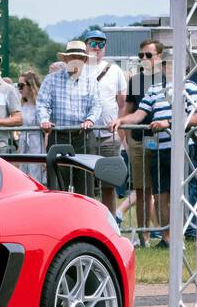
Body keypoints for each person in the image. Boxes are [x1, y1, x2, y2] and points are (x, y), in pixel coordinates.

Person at [112, 78, 197, 247]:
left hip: (182, 148)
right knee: (160, 197)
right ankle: (167, 238)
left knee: (178, 195)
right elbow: (139, 114)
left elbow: (196, 117)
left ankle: (178, 238)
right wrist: (122, 121)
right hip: (159, 149)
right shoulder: (153, 88)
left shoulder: (190, 86)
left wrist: (168, 123)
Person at [37, 41, 105, 194]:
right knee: (58, 187)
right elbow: (42, 104)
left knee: (86, 187)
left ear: (85, 60)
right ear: (66, 59)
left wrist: (90, 119)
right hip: (58, 137)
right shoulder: (51, 79)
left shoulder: (91, 82)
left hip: (84, 137)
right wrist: (44, 120)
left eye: (80, 57)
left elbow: (96, 105)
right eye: (72, 57)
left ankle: (86, 217)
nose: (76, 60)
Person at [118, 39, 167, 236]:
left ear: (159, 56)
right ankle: (143, 235)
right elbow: (129, 110)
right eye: (141, 55)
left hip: (164, 140)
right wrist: (128, 141)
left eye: (148, 55)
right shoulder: (135, 81)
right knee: (141, 191)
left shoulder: (167, 80)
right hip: (139, 139)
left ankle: (166, 234)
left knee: (162, 190)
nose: (144, 59)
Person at [83, 28, 128, 213]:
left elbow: (122, 102)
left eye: (101, 44)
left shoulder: (115, 70)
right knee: (85, 184)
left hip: (109, 134)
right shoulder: (78, 68)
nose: (97, 47)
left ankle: (109, 223)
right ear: (86, 46)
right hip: (86, 133)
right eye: (93, 43)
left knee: (108, 184)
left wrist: (119, 125)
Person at [15, 69, 44, 180]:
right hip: (24, 143)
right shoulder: (21, 105)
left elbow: (46, 132)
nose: (19, 89)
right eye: (18, 85)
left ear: (31, 86)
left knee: (37, 175)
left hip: (37, 144)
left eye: (21, 85)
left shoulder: (40, 106)